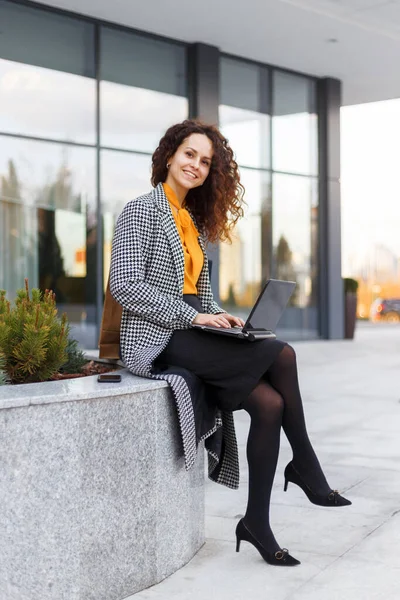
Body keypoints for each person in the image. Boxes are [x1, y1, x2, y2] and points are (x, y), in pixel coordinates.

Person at [109, 119, 351, 568]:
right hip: (156, 337)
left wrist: (217, 314)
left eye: (205, 162)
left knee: (269, 406)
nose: (196, 166)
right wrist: (193, 315)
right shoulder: (140, 210)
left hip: (191, 329)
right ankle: (305, 465)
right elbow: (123, 284)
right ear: (168, 155)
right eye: (189, 155)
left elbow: (196, 294)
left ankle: (257, 521)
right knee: (281, 353)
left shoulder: (193, 225)